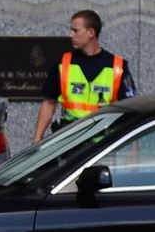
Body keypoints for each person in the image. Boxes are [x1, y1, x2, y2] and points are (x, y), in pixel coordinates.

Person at [32, 9, 136, 142]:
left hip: (103, 144)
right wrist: (37, 138)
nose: (71, 35)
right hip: (69, 143)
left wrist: (132, 151)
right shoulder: (64, 63)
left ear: (91, 32)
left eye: (76, 31)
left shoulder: (118, 67)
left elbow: (130, 109)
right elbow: (49, 102)